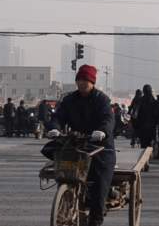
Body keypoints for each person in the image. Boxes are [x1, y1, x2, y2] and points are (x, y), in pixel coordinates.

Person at [46, 65, 115, 226]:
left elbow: (108, 119)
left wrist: (102, 131)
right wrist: (54, 128)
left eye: (86, 80)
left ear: (92, 82)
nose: (82, 83)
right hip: (77, 144)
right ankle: (66, 201)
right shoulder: (69, 100)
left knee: (100, 185)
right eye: (80, 80)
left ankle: (96, 219)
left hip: (101, 147)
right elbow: (58, 117)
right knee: (64, 171)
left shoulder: (102, 100)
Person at [134, 85, 157, 149]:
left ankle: (145, 158)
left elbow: (136, 114)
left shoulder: (140, 101)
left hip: (142, 126)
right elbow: (157, 114)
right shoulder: (154, 101)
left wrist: (136, 127)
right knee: (150, 145)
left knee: (143, 145)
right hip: (152, 127)